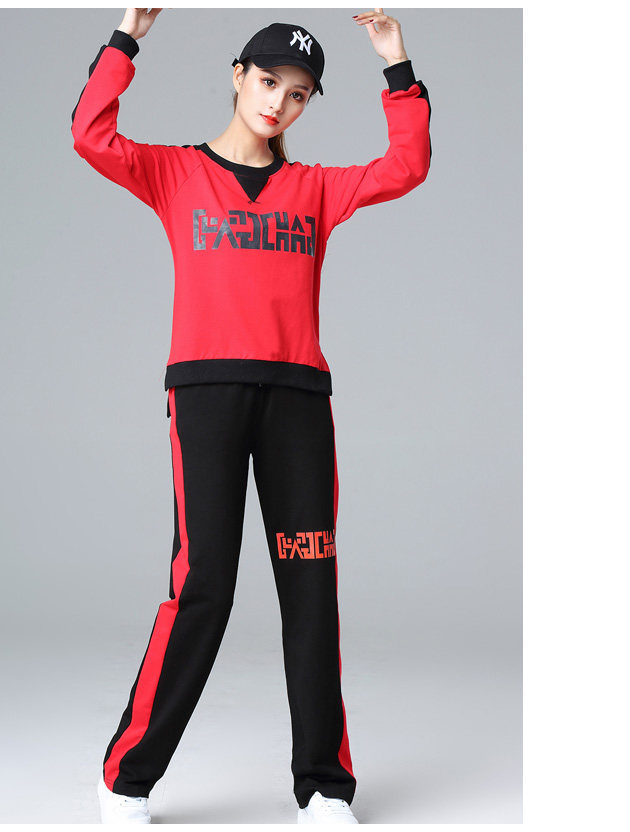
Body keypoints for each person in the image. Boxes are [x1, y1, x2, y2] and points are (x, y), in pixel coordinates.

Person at [71, 7, 431, 824]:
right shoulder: (175, 173)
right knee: (203, 584)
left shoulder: (316, 188)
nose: (278, 103)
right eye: (268, 82)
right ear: (238, 76)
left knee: (310, 587)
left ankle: (324, 785)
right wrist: (127, 38)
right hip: (206, 396)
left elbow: (407, 165)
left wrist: (395, 62)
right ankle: (127, 777)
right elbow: (92, 135)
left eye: (298, 94)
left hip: (297, 401)